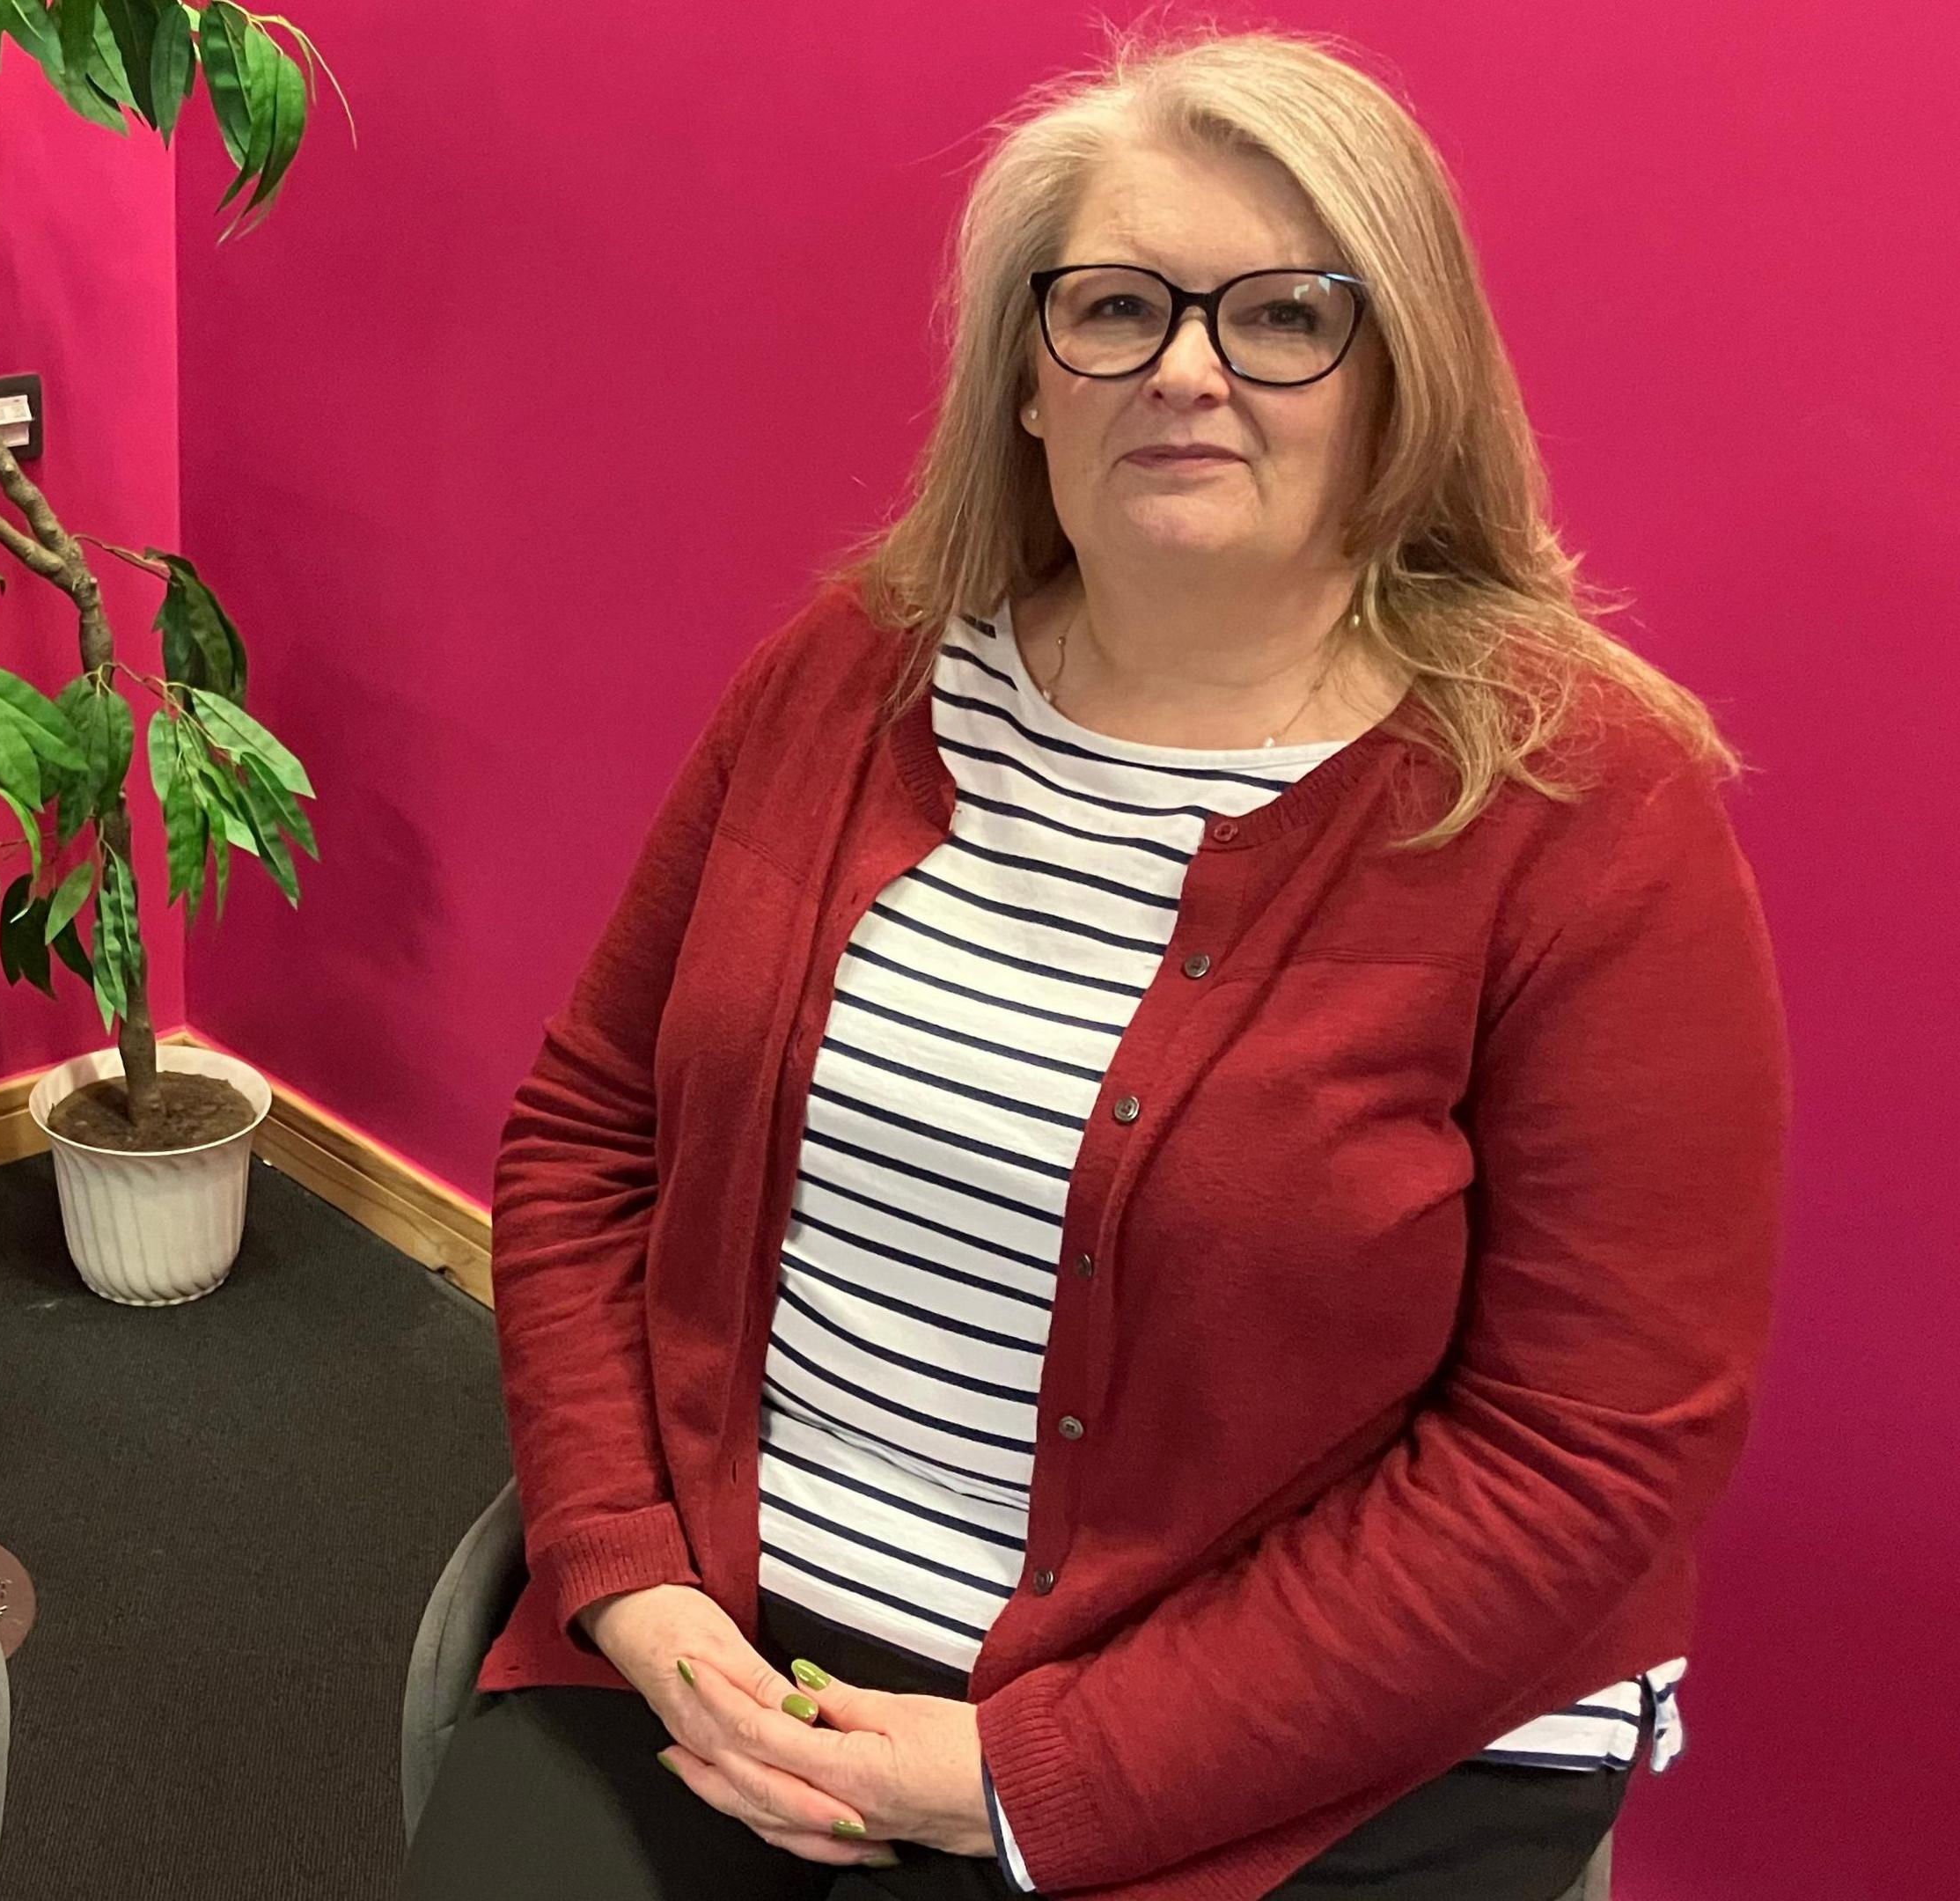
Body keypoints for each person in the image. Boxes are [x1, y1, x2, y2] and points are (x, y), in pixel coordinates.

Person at [407, 29, 1781, 1901]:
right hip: (736, 1652)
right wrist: (628, 1565)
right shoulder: (843, 677)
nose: (1190, 368)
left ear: (1403, 386)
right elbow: (586, 1133)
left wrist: (1034, 1775)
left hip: (1306, 1751)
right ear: (1030, 386)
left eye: (1287, 316)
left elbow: (1578, 1458)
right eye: (1116, 307)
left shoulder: (1583, 804)